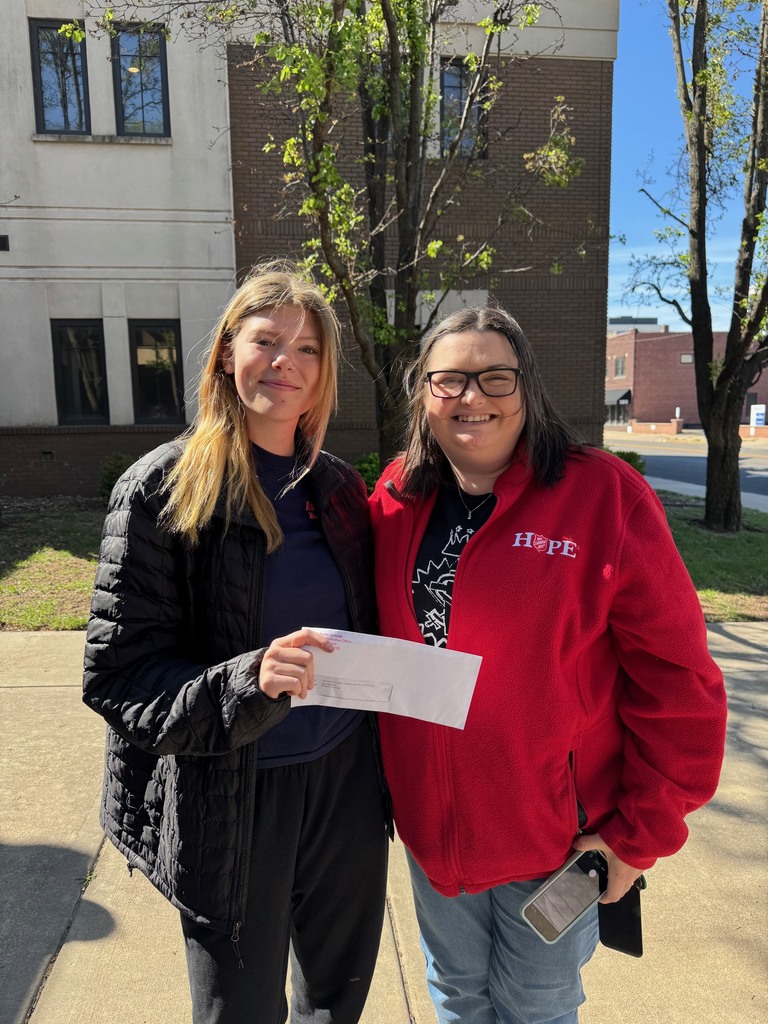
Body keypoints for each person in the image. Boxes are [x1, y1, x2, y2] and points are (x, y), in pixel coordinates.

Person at [369, 305, 727, 1024]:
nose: (472, 396)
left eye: (494, 377)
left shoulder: (602, 497)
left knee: (536, 1008)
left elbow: (680, 683)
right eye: (449, 379)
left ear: (526, 387)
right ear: (423, 395)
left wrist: (638, 837)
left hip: (556, 845)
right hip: (436, 837)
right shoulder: (396, 498)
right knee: (456, 996)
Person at [83, 261, 390, 1024]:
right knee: (240, 1013)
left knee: (337, 999)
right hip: (233, 795)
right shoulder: (159, 490)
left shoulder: (339, 490)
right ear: (226, 352)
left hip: (346, 786)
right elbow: (119, 678)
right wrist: (247, 680)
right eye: (266, 341)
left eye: (307, 349)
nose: (286, 362)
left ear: (323, 375)